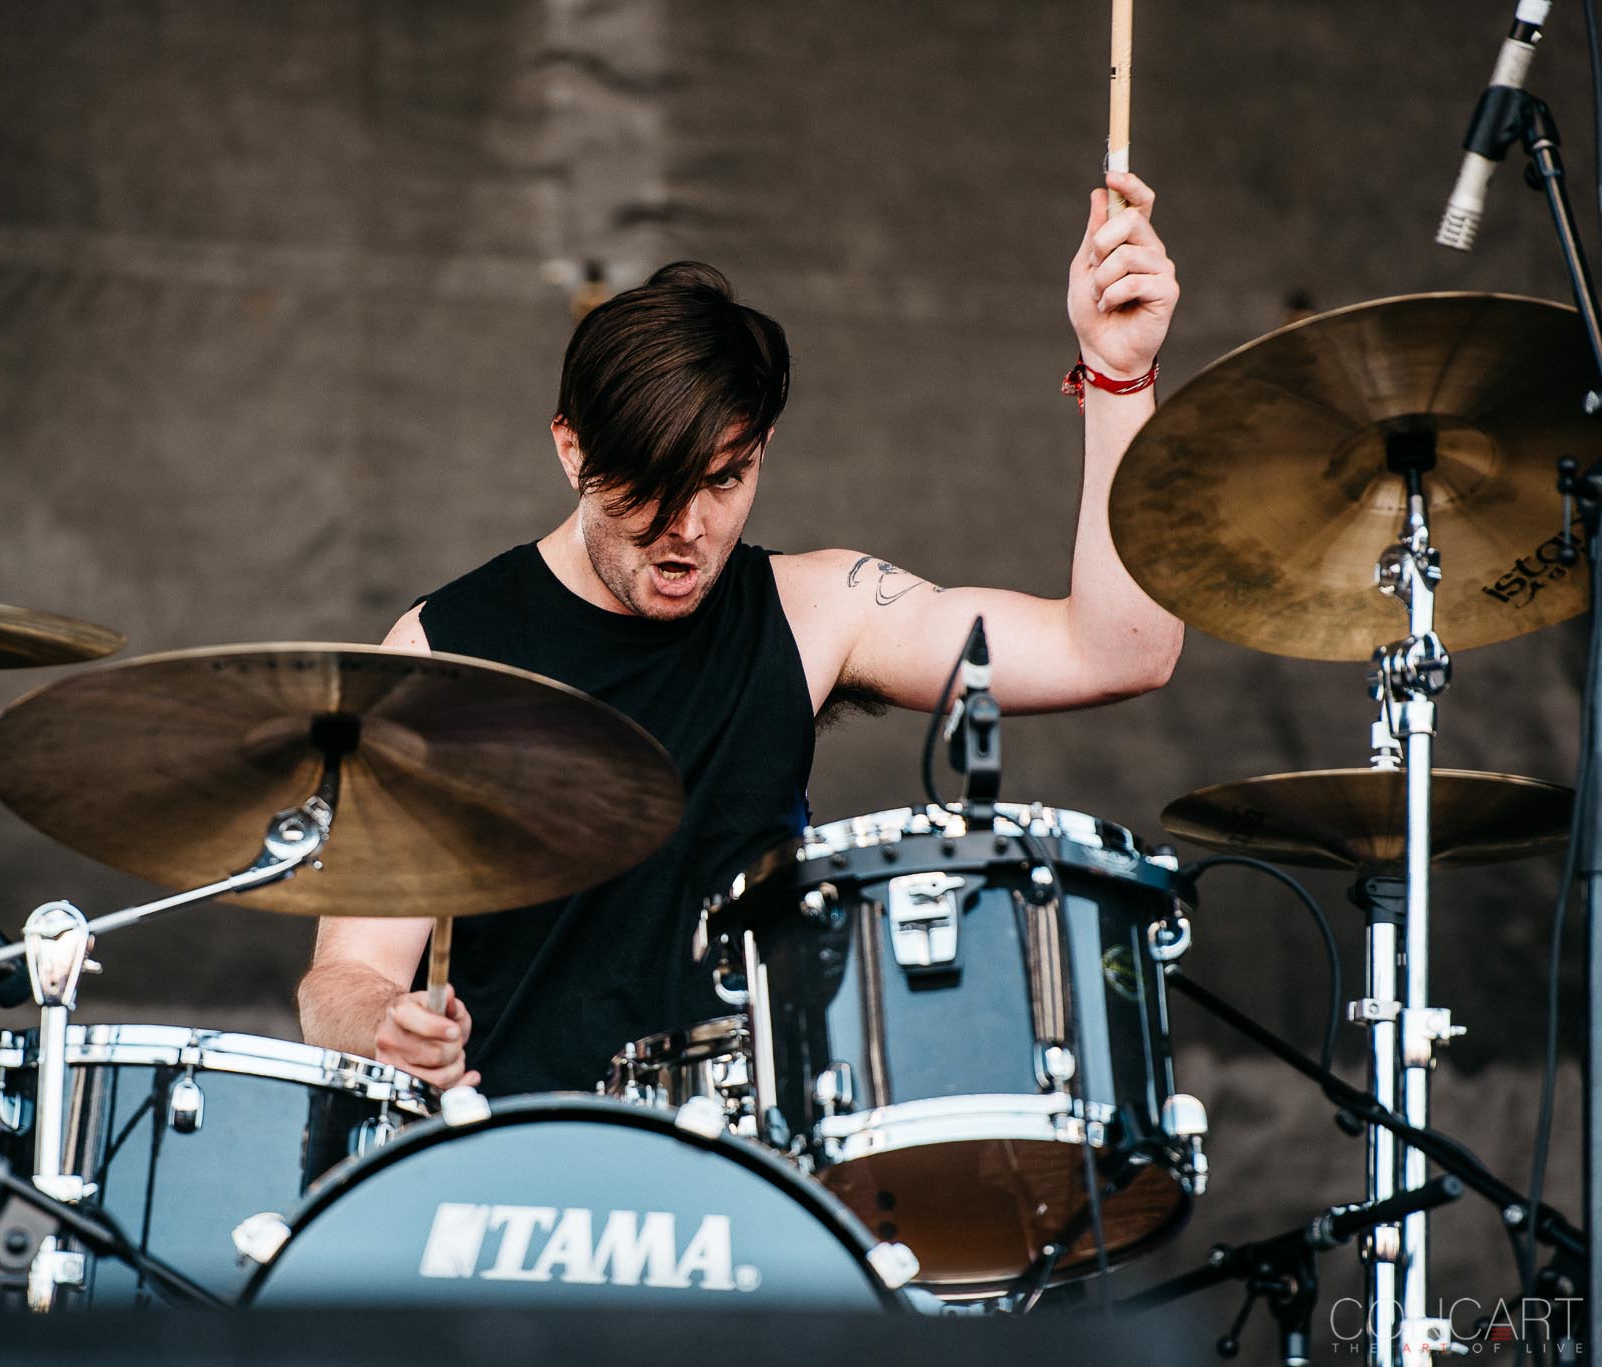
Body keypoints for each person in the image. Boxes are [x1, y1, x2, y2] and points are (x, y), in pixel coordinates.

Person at [297, 171, 1183, 1096]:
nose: (688, 526)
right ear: (572, 450)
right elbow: (341, 981)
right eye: (650, 483)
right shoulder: (445, 649)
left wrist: (1118, 374)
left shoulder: (816, 609)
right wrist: (385, 1027)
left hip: (743, 1181)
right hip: (513, 1185)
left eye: (725, 478)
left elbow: (1120, 650)